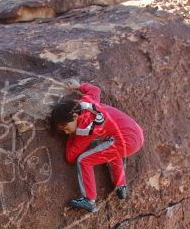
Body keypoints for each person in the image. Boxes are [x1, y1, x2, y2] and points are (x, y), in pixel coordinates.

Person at [51, 79, 144, 212]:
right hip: (136, 133)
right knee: (110, 150)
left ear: (75, 116)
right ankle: (121, 185)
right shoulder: (87, 103)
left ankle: (89, 199)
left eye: (65, 128)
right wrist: (79, 86)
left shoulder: (85, 128)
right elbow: (95, 90)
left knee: (84, 160)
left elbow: (70, 156)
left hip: (126, 141)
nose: (66, 132)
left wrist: (72, 137)